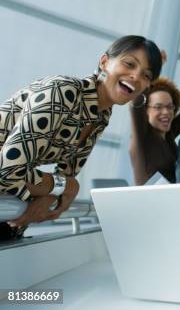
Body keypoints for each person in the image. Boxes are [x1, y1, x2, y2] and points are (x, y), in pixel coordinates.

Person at [0, 35, 162, 238]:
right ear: (104, 62)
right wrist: (67, 187)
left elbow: (66, 176)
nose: (136, 77)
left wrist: (54, 192)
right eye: (129, 64)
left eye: (146, 75)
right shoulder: (62, 91)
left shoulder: (101, 116)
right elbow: (7, 169)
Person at [129, 51, 180, 185]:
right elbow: (136, 101)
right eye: (158, 107)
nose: (166, 112)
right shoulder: (142, 136)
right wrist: (153, 67)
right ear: (145, 111)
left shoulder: (168, 133)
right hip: (148, 203)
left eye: (170, 107)